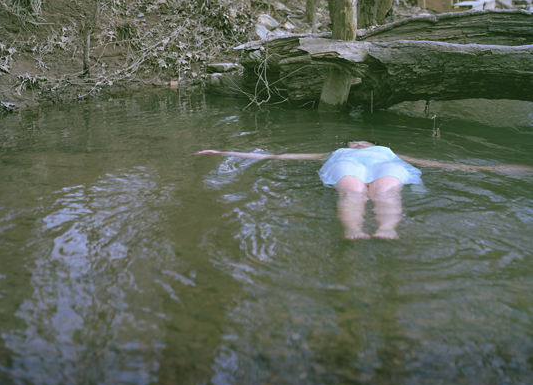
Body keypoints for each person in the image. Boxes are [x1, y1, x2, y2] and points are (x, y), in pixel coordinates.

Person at [194, 141, 533, 241]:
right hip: (355, 167)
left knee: (381, 191)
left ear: (370, 143)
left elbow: (445, 164)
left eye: (361, 140)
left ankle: (384, 230)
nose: (357, 141)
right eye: (355, 141)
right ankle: (357, 230)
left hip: (383, 167)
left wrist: (494, 169)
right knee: (356, 191)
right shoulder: (339, 152)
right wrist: (224, 152)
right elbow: (281, 155)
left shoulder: (388, 150)